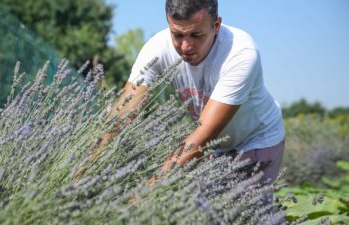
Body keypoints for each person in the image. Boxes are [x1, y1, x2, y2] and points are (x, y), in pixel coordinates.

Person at [77, 0, 285, 185]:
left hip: (256, 139)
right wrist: (85, 166)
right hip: (217, 145)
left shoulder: (240, 53)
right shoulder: (157, 47)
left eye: (196, 35)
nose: (185, 46)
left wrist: (150, 190)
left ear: (216, 26)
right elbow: (125, 110)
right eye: (177, 35)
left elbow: (204, 134)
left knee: (245, 211)